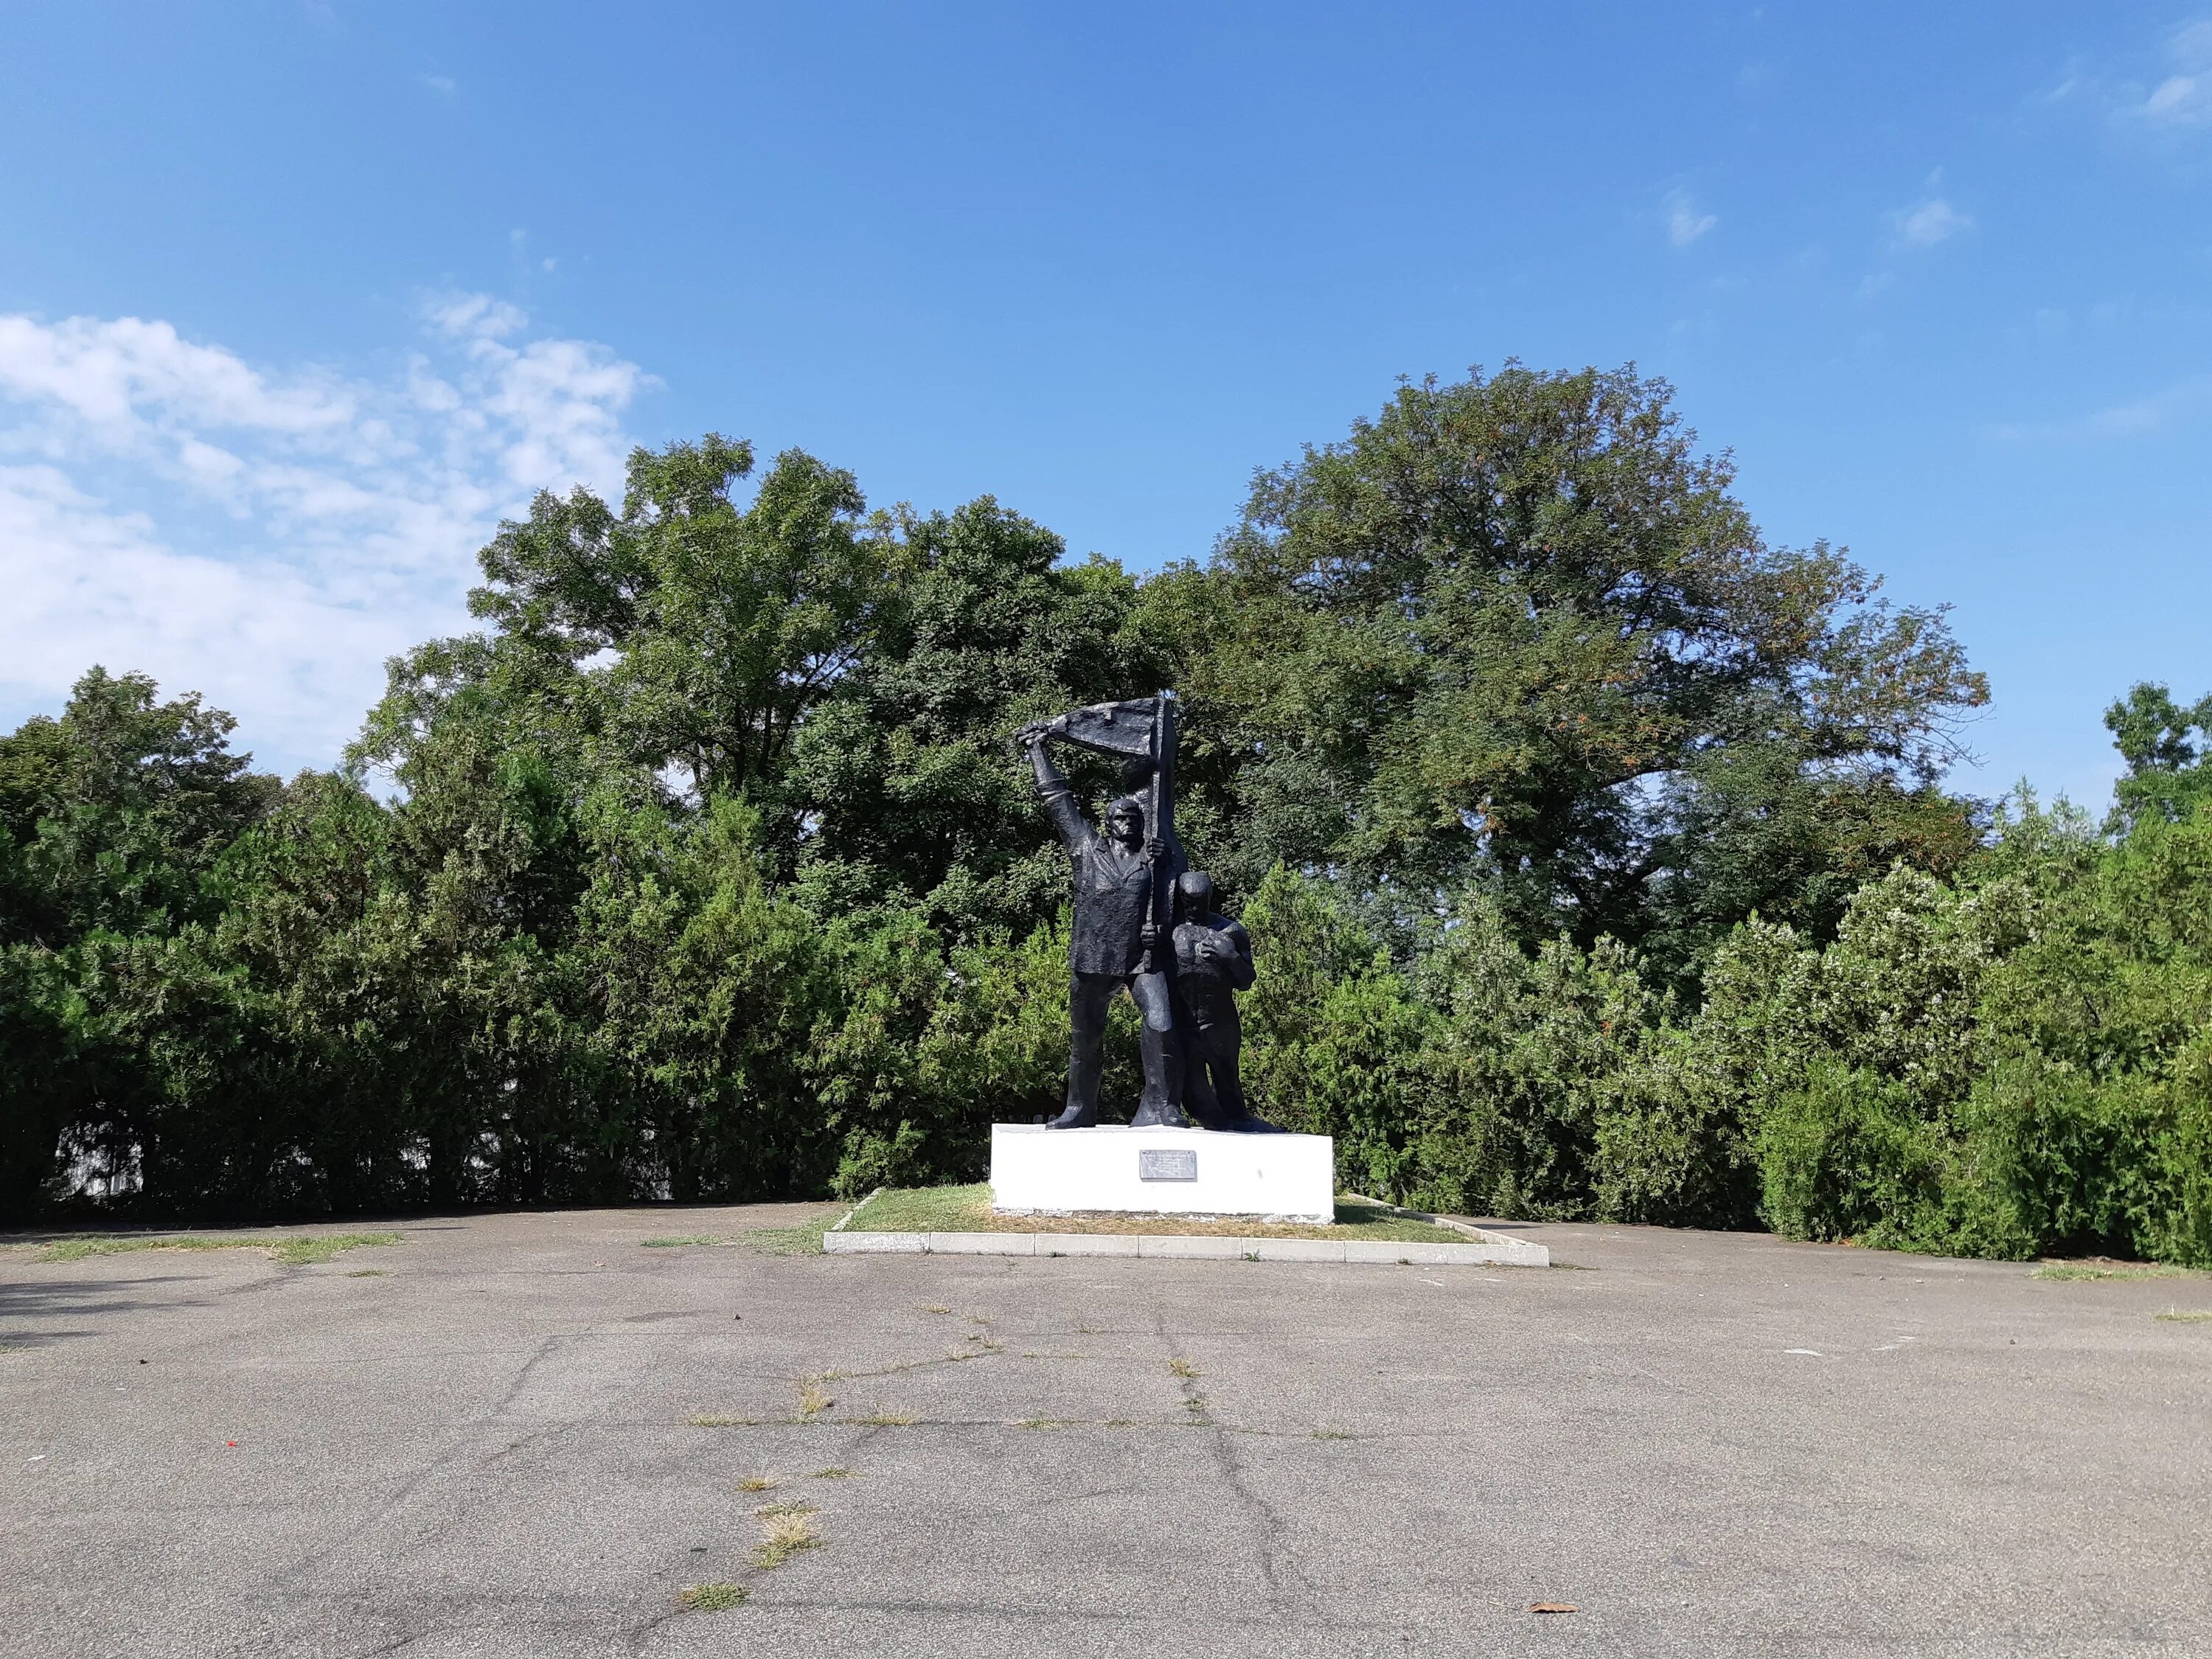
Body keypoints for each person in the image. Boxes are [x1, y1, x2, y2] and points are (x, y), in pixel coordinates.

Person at [1020, 728, 1189, 1128]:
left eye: (1134, 818)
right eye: (1119, 818)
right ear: (1108, 823)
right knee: (1087, 1037)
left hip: (1141, 958)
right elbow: (1056, 799)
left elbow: (1179, 898)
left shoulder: (1155, 857)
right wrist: (1036, 748)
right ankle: (1080, 1108)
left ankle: (1161, 1107)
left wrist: (1162, 926)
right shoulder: (1085, 847)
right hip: (1094, 957)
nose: (1127, 823)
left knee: (1162, 1023)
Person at [1169, 871, 1273, 1131]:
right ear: (1180, 898)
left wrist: (1230, 957)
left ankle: (1238, 1122)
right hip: (1184, 1026)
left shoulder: (1231, 931)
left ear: (1210, 898)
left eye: (1201, 901)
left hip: (1220, 1023)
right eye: (1189, 901)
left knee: (1229, 1085)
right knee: (1193, 1094)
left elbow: (1247, 980)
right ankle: (1219, 1124)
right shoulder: (1170, 931)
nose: (1194, 907)